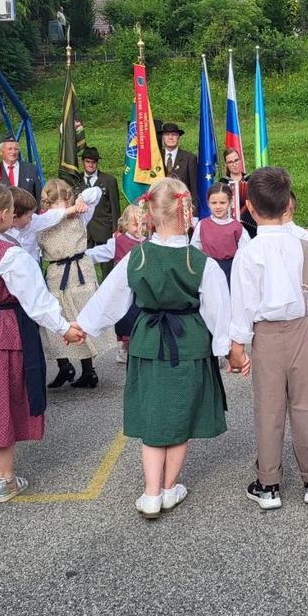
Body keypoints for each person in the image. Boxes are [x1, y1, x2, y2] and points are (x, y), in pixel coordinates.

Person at [78, 178, 233, 519]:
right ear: (187, 212)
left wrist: (83, 326)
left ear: (149, 213)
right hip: (189, 344)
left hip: (148, 343)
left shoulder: (137, 257)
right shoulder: (201, 262)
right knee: (179, 415)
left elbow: (109, 298)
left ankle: (151, 493)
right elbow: (218, 311)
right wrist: (228, 348)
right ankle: (169, 488)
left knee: (153, 418)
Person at [0, 181, 84, 502]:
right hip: (6, 333)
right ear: (4, 215)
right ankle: (6, 479)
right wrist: (64, 327)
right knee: (1, 402)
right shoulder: (11, 255)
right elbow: (37, 301)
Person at [229, 166, 308, 510]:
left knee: (269, 408)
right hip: (301, 331)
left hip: (266, 336)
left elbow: (242, 304)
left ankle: (269, 484)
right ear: (287, 204)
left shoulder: (248, 252)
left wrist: (237, 347)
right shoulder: (304, 246)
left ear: (249, 208)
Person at [37, 178, 103, 389]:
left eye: (65, 203)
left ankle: (88, 369)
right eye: (56, 205)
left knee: (81, 316)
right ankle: (64, 365)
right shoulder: (42, 222)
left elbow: (97, 192)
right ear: (48, 204)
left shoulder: (80, 214)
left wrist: (82, 198)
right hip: (57, 273)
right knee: (56, 316)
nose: (62, 209)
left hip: (80, 270)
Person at [86, 202, 146, 364]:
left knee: (141, 318)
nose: (139, 228)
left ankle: (138, 349)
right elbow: (98, 253)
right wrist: (80, 257)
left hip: (143, 289)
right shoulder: (119, 242)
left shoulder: (149, 242)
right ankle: (124, 350)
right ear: (126, 224)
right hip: (125, 289)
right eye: (135, 224)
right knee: (127, 319)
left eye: (142, 224)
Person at [70, 146, 121, 266]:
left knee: (108, 268)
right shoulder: (75, 181)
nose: (90, 165)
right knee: (82, 266)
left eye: (93, 162)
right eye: (87, 161)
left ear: (97, 163)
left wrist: (116, 231)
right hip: (83, 232)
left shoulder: (109, 181)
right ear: (83, 162)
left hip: (104, 230)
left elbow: (115, 208)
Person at [191, 183, 250, 284]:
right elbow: (194, 251)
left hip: (231, 272)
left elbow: (246, 254)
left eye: (222, 203)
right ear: (208, 203)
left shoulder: (237, 227)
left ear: (230, 202)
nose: (218, 206)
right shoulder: (202, 225)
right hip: (208, 271)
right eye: (214, 203)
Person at [5, 187, 83, 264]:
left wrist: (73, 209)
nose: (31, 218)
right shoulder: (2, 235)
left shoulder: (32, 223)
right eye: (29, 216)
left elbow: (48, 217)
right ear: (14, 217)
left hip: (33, 266)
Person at [160, 123, 199, 213]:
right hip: (160, 207)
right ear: (163, 137)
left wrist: (194, 211)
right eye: (167, 134)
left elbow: (194, 188)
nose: (170, 137)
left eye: (174, 134)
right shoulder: (156, 157)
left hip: (182, 208)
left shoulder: (189, 158)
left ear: (178, 137)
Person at [217, 148, 255, 236]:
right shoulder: (224, 182)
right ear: (226, 165)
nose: (234, 164)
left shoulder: (250, 179)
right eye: (230, 162)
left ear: (240, 160)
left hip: (250, 224)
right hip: (229, 224)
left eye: (236, 160)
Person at [0, 134, 43, 204]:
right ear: (1, 152)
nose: (13, 152)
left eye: (16, 149)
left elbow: (38, 196)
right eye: (10, 149)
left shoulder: (30, 169)